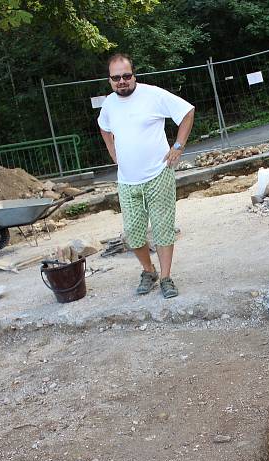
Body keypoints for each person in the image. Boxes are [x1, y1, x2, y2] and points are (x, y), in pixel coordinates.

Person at [98, 53, 195, 298]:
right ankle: (148, 270)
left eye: (126, 76)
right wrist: (113, 153)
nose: (122, 81)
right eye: (116, 78)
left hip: (158, 174)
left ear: (134, 75)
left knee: (163, 227)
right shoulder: (109, 103)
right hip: (127, 180)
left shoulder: (153, 95)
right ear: (110, 80)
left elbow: (187, 112)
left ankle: (165, 277)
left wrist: (178, 146)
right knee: (133, 231)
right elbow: (104, 127)